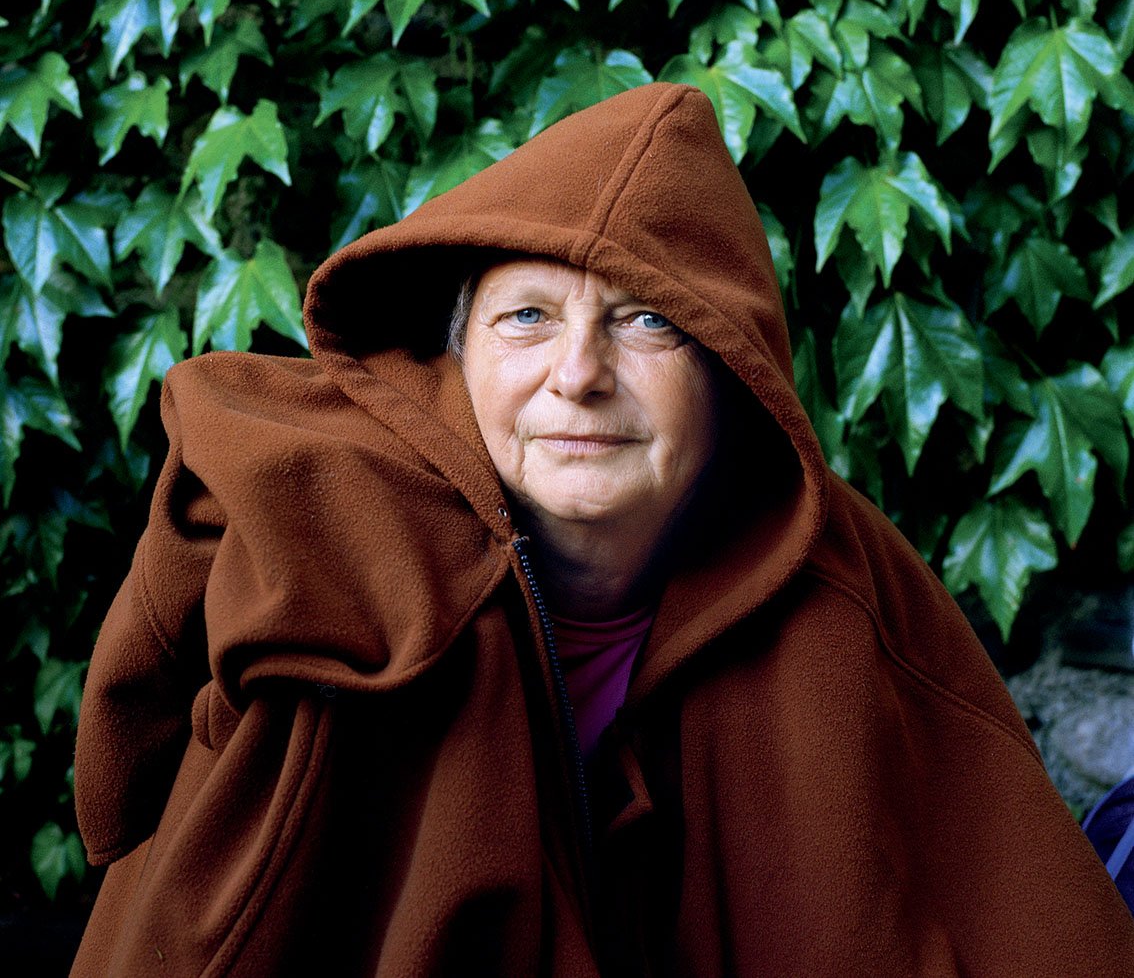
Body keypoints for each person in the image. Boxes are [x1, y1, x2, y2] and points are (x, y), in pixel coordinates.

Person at [71, 83, 1134, 975]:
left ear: (729, 373)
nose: (577, 377)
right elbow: (129, 798)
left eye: (647, 321)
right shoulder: (321, 519)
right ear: (458, 352)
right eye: (527, 316)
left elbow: (1017, 897)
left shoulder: (835, 584)